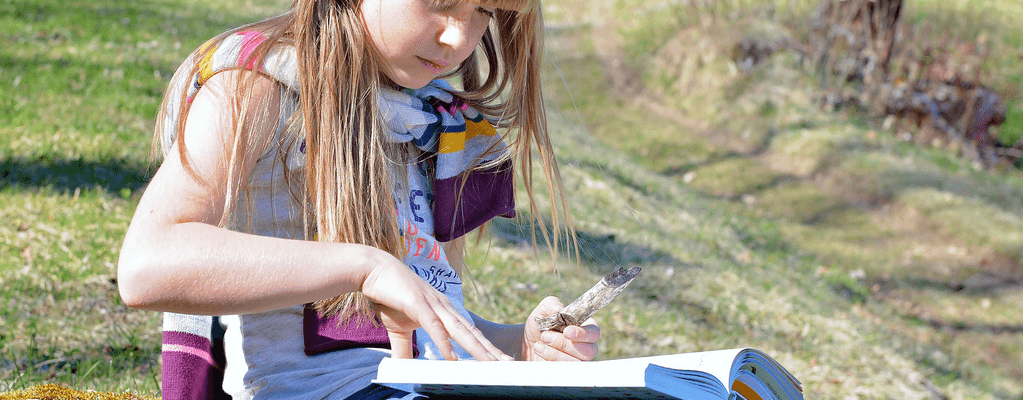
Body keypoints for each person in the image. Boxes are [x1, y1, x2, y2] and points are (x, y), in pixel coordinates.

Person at [116, 0, 600, 398]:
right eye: (439, 3)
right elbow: (147, 265)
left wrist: (518, 345)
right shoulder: (256, 86)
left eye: (481, 12)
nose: (459, 38)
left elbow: (420, 331)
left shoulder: (432, 124)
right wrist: (364, 267)